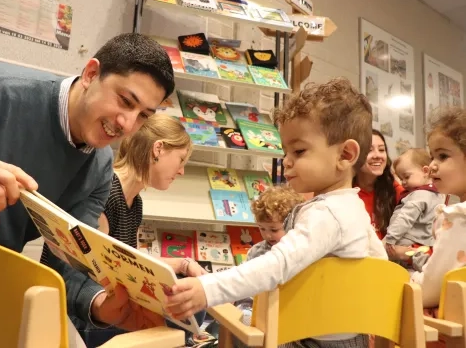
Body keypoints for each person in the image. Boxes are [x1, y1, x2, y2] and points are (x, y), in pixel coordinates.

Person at [0, 33, 174, 345]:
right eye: (125, 101)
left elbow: (65, 261)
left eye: (143, 116)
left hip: (2, 270)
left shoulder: (99, 167)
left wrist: (98, 304)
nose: (127, 124)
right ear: (91, 74)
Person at [165, 77, 387, 347]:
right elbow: (381, 267)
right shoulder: (354, 209)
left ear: (345, 155)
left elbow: (277, 265)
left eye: (299, 150)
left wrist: (208, 289)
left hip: (311, 339)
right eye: (285, 151)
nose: (286, 160)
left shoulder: (327, 214)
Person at [47, 113, 208, 347]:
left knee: (187, 302)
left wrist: (184, 264)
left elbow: (129, 259)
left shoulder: (133, 202)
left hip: (107, 306)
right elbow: (88, 274)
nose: (181, 171)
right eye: (181, 159)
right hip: (85, 313)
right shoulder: (107, 193)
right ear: (158, 149)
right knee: (184, 316)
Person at [411, 107, 466, 309]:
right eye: (432, 156)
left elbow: (429, 290)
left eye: (442, 156)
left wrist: (410, 281)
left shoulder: (459, 218)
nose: (432, 165)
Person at [235, 186, 304, 326]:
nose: (267, 235)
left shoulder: (300, 251)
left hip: (289, 311)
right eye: (262, 228)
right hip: (256, 308)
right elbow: (243, 283)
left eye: (274, 229)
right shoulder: (257, 251)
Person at [385, 148, 444, 269]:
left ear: (425, 171)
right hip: (424, 243)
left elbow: (405, 218)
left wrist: (390, 238)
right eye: (401, 179)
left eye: (406, 177)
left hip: (405, 240)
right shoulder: (437, 194)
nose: (403, 183)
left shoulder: (419, 195)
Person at [354, 130, 405, 240]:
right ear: (354, 155)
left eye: (381, 150)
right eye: (369, 150)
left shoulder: (396, 191)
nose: (377, 155)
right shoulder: (345, 192)